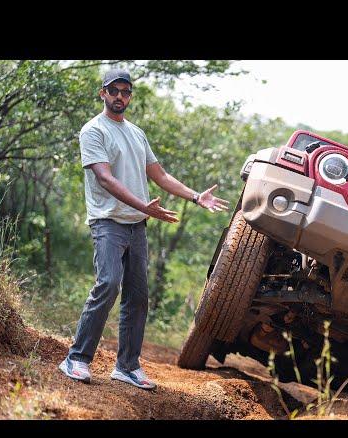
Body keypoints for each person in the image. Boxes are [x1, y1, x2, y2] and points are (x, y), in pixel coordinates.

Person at [58, 68, 230, 390]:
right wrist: (143, 206)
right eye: (114, 91)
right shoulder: (93, 131)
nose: (120, 96)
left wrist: (195, 196)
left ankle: (126, 366)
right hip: (108, 222)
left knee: (137, 297)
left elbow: (160, 176)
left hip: (137, 227)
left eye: (125, 91)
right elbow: (104, 178)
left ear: (130, 97)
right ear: (103, 94)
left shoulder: (137, 134)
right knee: (108, 284)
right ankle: (76, 359)